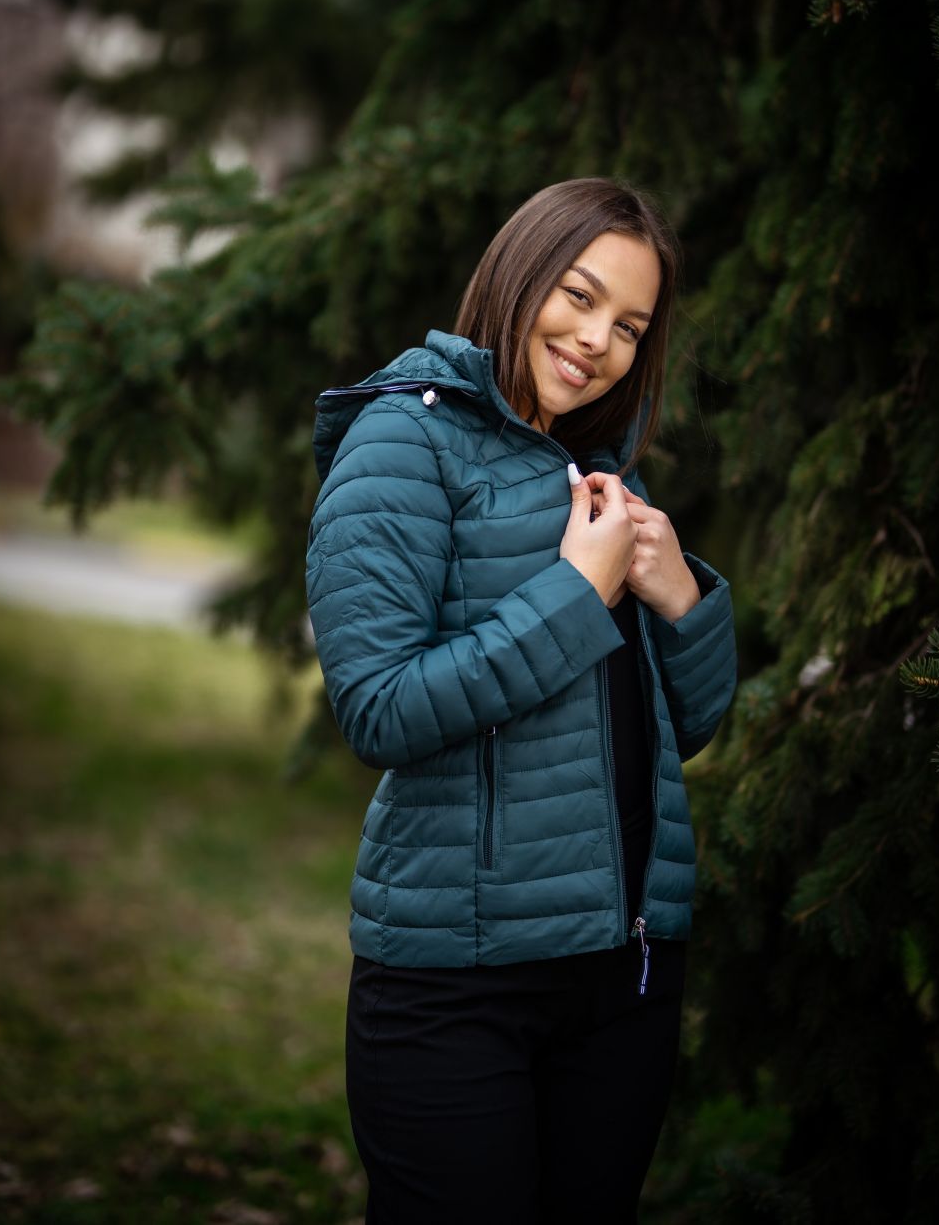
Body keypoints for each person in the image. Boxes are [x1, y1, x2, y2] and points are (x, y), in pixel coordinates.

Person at [305, 177, 737, 1225]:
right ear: (519, 273)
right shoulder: (402, 441)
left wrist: (681, 601)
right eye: (580, 296)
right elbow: (377, 708)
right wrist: (577, 594)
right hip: (458, 986)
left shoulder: (596, 476)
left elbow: (687, 729)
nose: (597, 341)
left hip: (623, 977)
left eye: (629, 326)